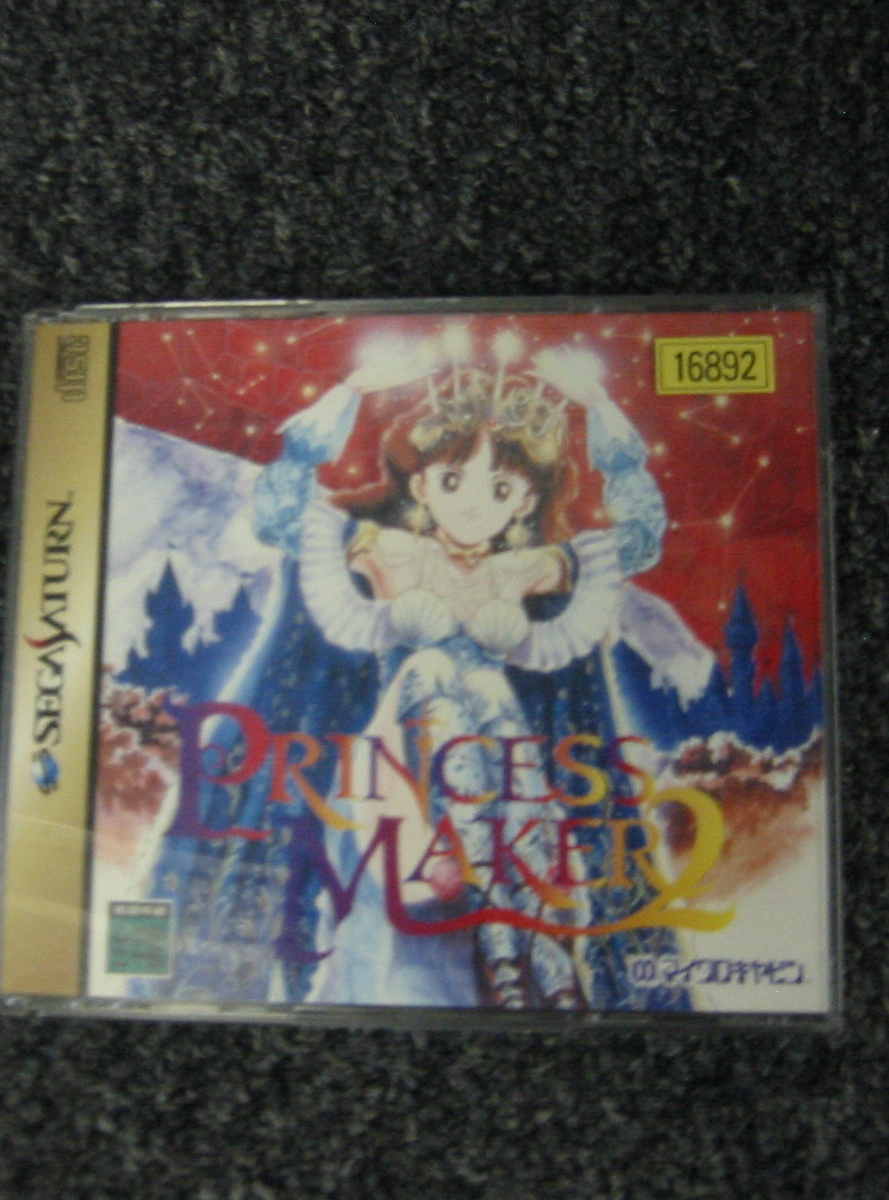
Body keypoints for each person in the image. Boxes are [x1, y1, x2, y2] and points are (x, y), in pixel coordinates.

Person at [252, 330, 668, 1009]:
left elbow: (641, 541)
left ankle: (529, 951)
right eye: (453, 480)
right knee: (433, 672)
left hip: (503, 766)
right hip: (400, 763)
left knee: (482, 687)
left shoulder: (528, 569)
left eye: (499, 486)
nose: (473, 502)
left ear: (523, 502)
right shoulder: (386, 550)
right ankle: (500, 941)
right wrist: (349, 393)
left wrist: (599, 406)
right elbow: (277, 516)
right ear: (421, 484)